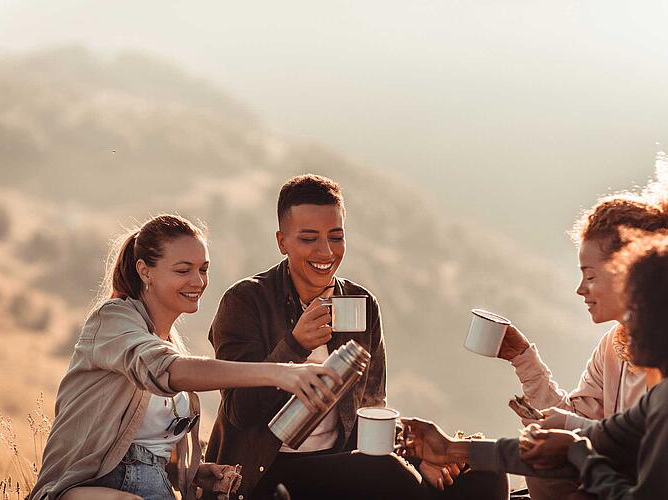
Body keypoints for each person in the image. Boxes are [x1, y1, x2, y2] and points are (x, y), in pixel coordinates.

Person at [204, 175, 508, 500]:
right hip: (265, 472)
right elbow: (240, 411)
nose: (326, 251)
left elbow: (372, 405)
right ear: (282, 242)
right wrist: (294, 345)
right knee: (384, 473)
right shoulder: (247, 301)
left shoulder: (360, 305)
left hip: (339, 463)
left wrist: (417, 455)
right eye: (309, 239)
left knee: (481, 472)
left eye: (336, 237)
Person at [30, 214, 341, 500]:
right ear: (144, 271)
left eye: (203, 269)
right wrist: (279, 373)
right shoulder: (113, 320)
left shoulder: (170, 342)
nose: (198, 282)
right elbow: (167, 371)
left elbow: (144, 452)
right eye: (183, 270)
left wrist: (195, 473)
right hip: (86, 491)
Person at [402, 231, 668, 499]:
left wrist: (579, 454)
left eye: (637, 308)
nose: (627, 323)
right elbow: (584, 440)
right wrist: (451, 449)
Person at [496, 161, 668, 498]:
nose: (581, 289)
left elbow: (636, 450)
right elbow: (578, 419)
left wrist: (571, 438)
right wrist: (522, 358)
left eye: (590, 276)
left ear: (629, 274)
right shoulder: (612, 345)